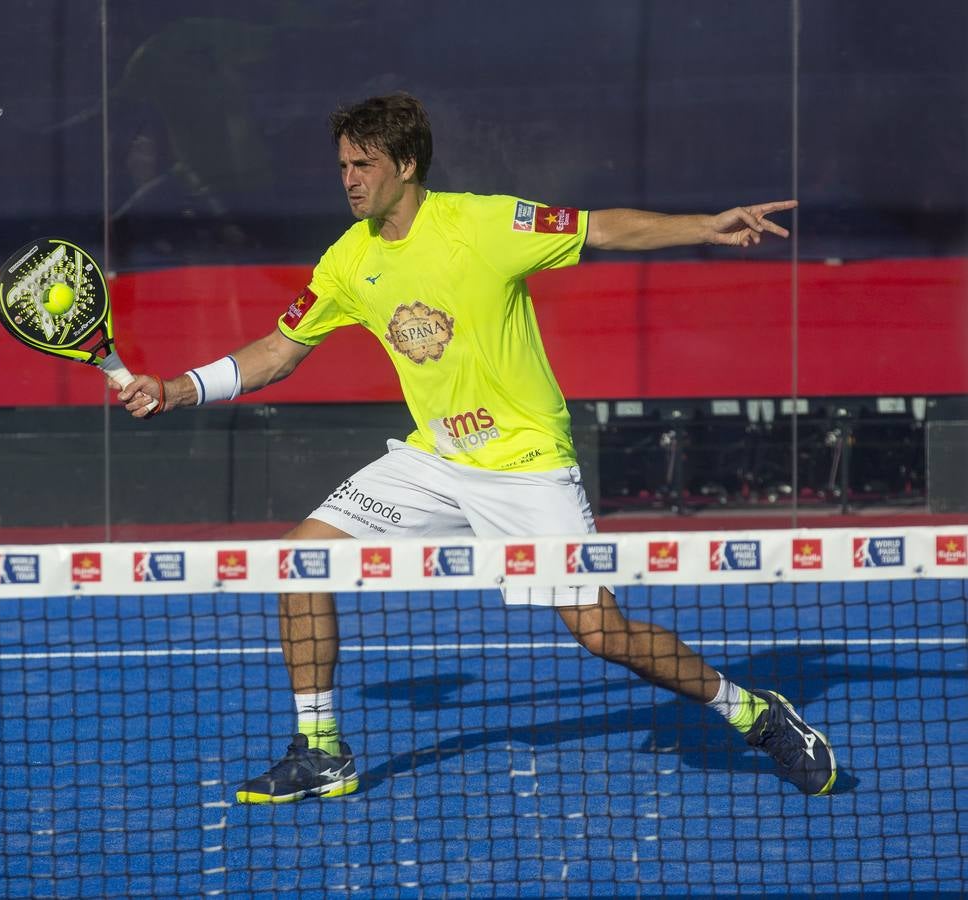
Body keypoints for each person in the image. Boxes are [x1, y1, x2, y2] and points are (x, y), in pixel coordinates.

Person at [115, 93, 837, 803]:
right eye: (341, 167)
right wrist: (175, 389)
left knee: (604, 635)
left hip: (526, 464)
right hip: (433, 462)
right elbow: (277, 351)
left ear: (404, 163)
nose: (350, 180)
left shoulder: (485, 222)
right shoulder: (347, 260)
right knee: (300, 558)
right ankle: (322, 750)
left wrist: (706, 226)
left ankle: (752, 712)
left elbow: (600, 229)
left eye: (363, 164)